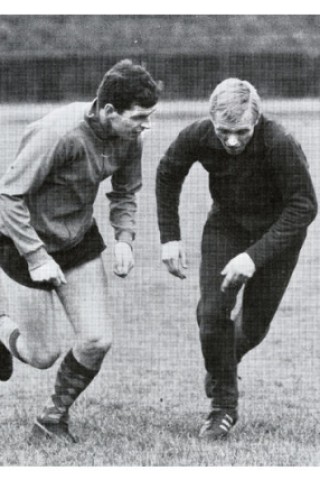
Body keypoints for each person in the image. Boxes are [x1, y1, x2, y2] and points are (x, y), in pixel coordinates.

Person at [0, 59, 160, 443]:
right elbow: (8, 195)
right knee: (42, 355)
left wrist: (124, 237)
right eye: (139, 117)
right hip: (24, 244)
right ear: (108, 110)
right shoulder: (59, 133)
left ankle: (52, 419)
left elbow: (124, 192)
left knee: (97, 339)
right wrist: (37, 257)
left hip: (77, 240)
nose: (145, 125)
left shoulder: (129, 138)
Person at [156, 78, 317, 440]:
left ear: (256, 122)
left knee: (254, 328)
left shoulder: (279, 142)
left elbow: (305, 205)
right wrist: (169, 237)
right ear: (211, 121)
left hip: (277, 237)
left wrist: (254, 257)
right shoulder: (197, 135)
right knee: (212, 314)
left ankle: (221, 363)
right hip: (226, 227)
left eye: (241, 132)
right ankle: (223, 408)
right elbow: (168, 173)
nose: (231, 141)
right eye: (223, 131)